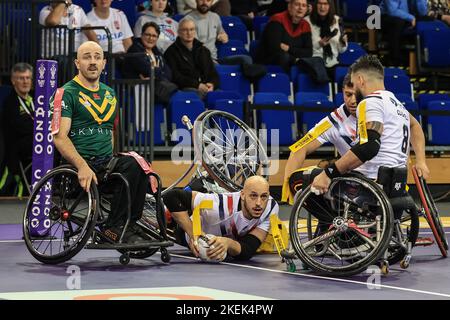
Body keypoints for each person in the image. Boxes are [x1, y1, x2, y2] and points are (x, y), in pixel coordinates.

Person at [50, 41, 149, 243]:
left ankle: (128, 224)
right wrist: (82, 166)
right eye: (87, 57)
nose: (93, 62)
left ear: (104, 63)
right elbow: (59, 137)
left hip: (105, 164)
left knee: (140, 164)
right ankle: (112, 228)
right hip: (79, 167)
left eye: (97, 57)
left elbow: (110, 133)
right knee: (130, 165)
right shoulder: (66, 93)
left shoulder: (110, 94)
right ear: (77, 63)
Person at [310, 55, 430, 220]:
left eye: (354, 83)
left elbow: (369, 147)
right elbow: (416, 126)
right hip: (396, 189)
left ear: (360, 80)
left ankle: (338, 228)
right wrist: (421, 161)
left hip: (368, 190)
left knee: (304, 178)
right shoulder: (396, 104)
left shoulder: (369, 102)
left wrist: (329, 172)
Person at [162, 176, 279, 261]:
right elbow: (171, 196)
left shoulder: (271, 207)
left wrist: (228, 243)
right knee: (163, 219)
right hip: (187, 230)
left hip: (222, 236)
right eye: (253, 196)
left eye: (264, 196)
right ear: (242, 195)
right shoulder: (220, 205)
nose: (259, 203)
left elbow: (248, 248)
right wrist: (195, 235)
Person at [1, 63, 35, 195]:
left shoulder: (37, 99)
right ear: (13, 81)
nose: (25, 81)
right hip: (18, 149)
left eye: (28, 78)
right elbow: (21, 128)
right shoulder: (10, 103)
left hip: (38, 141)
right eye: (21, 78)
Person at [164, 18, 219, 98]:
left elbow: (213, 73)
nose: (189, 33)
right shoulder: (171, 52)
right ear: (178, 32)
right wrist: (197, 85)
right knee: (197, 95)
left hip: (205, 87)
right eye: (185, 30)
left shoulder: (204, 50)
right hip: (185, 89)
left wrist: (212, 84)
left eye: (191, 29)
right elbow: (175, 77)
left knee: (221, 96)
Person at [124, 22, 177, 104]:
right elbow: (147, 69)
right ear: (141, 35)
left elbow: (168, 73)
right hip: (137, 88)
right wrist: (157, 72)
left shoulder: (156, 52)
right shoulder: (135, 50)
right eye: (147, 35)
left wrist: (154, 76)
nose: (150, 38)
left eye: (154, 36)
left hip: (155, 87)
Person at [255, 0, 312, 72]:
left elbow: (309, 52)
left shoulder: (305, 25)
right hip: (268, 62)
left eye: (304, 6)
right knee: (284, 57)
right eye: (297, 4)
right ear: (289, 6)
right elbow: (274, 48)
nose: (300, 8)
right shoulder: (278, 19)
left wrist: (288, 48)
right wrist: (295, 58)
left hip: (291, 61)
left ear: (307, 9)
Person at [304, 0, 347, 80]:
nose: (322, 7)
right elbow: (303, 46)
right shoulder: (306, 21)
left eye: (325, 4)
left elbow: (341, 50)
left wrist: (342, 43)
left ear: (330, 5)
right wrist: (319, 44)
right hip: (315, 62)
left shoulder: (337, 20)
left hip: (333, 63)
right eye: (319, 3)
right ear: (315, 4)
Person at [380, 0, 428, 66]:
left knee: (428, 20)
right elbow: (392, 11)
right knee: (398, 22)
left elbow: (423, 13)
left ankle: (425, 60)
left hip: (408, 17)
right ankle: (394, 59)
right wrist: (411, 18)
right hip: (388, 16)